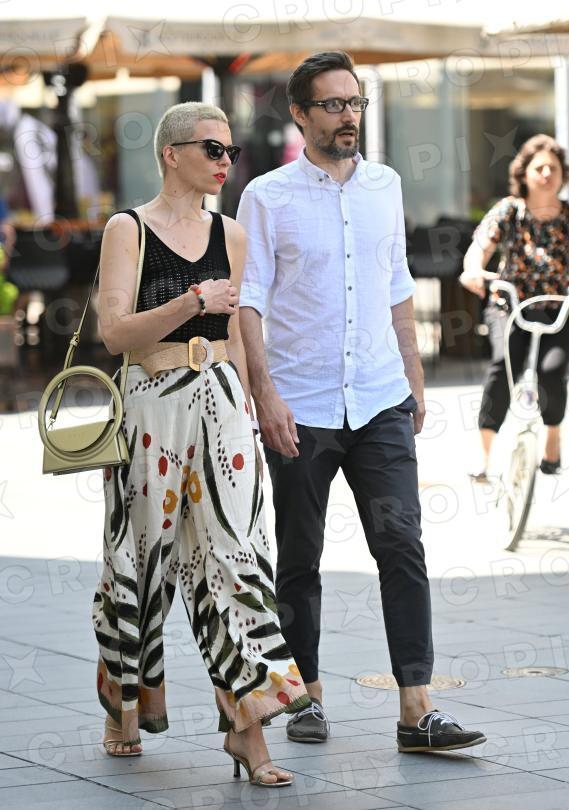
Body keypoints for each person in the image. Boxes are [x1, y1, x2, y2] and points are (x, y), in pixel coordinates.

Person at [237, 51, 486, 753]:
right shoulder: (266, 196)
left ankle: (416, 710)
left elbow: (397, 284)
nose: (348, 116)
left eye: (355, 103)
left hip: (379, 399)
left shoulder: (385, 185)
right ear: (299, 114)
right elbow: (248, 301)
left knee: (402, 545)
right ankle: (306, 696)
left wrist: (413, 376)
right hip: (302, 406)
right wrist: (264, 394)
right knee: (300, 555)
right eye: (333, 105)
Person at [94, 101, 309, 786]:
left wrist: (252, 407)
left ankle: (249, 733)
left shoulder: (231, 234)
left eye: (230, 150)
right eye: (212, 148)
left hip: (221, 405)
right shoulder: (127, 229)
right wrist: (191, 301)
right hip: (149, 407)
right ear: (172, 153)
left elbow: (238, 334)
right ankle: (124, 707)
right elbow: (114, 335)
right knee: (140, 562)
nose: (225, 161)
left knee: (237, 560)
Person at [460, 134, 569, 480]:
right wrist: (473, 270)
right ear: (524, 173)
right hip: (510, 307)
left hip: (558, 310)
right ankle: (484, 455)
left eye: (553, 168)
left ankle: (553, 437)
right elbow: (480, 246)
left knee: (552, 371)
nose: (547, 174)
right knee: (502, 367)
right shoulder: (510, 210)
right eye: (540, 168)